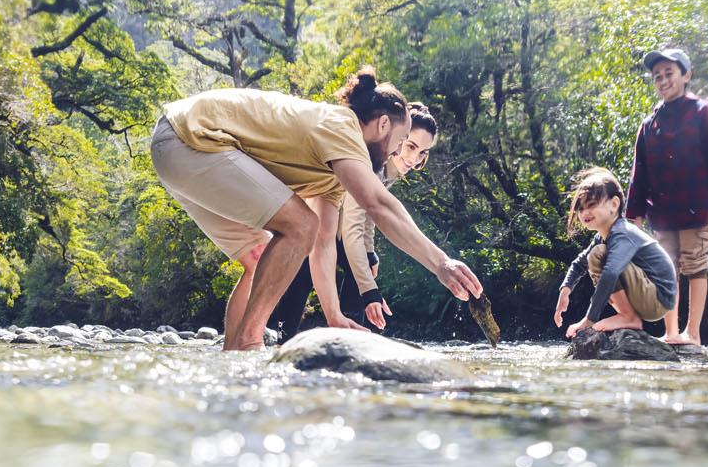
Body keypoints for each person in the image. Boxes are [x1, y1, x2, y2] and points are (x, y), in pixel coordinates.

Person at [149, 67, 480, 350]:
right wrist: (442, 263)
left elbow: (322, 242)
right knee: (298, 225)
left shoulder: (334, 172)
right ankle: (251, 344)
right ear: (381, 125)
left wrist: (333, 314)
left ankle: (235, 355)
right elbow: (379, 206)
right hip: (191, 139)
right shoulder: (343, 127)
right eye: (402, 138)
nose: (398, 152)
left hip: (179, 146)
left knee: (260, 255)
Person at [269, 102, 440, 339]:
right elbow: (353, 228)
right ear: (397, 136)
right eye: (410, 146)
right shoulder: (370, 162)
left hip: (336, 230)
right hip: (310, 220)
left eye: (422, 152)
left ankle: (352, 339)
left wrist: (370, 254)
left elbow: (367, 218)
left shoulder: (389, 169)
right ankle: (282, 340)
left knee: (364, 264)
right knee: (304, 274)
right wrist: (370, 291)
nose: (413, 158)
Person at [624, 47, 708, 346]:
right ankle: (671, 332)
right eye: (657, 76)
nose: (662, 80)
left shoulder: (704, 112)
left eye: (669, 73)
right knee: (665, 268)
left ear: (686, 75)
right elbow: (639, 172)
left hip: (697, 207)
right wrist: (634, 214)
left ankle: (692, 333)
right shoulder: (649, 123)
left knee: (696, 264)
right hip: (662, 212)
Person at [554, 167, 677, 339]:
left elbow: (611, 273)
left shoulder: (622, 233)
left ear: (614, 204)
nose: (584, 213)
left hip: (657, 298)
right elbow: (578, 263)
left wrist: (589, 319)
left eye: (591, 205)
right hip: (647, 294)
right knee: (596, 254)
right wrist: (565, 291)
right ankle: (628, 315)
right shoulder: (602, 236)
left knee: (598, 255)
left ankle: (628, 317)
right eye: (580, 209)